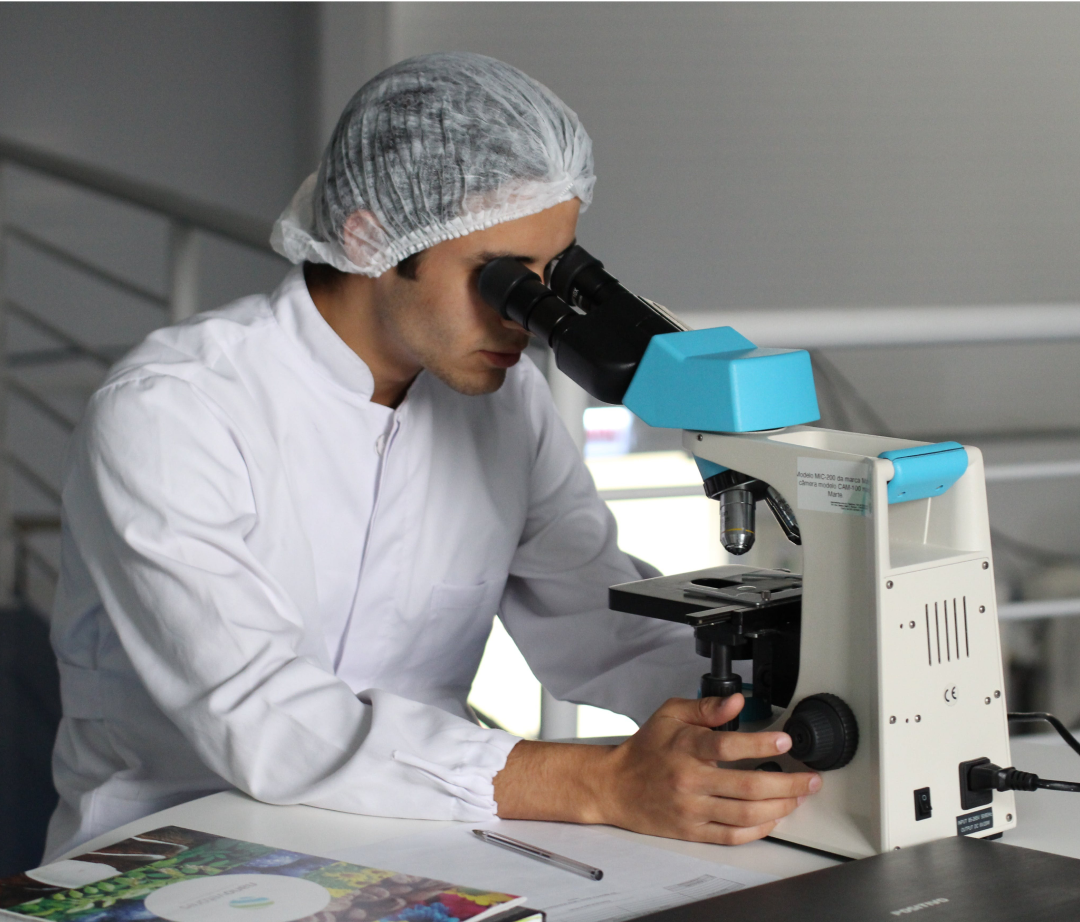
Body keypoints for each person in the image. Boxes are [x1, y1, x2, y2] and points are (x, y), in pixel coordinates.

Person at [44, 52, 820, 862]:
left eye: (554, 274)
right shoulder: (176, 411)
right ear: (372, 236)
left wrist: (760, 716)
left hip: (418, 838)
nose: (529, 319)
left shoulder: (502, 404)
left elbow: (600, 626)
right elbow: (266, 719)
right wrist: (602, 782)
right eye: (504, 281)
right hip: (177, 847)